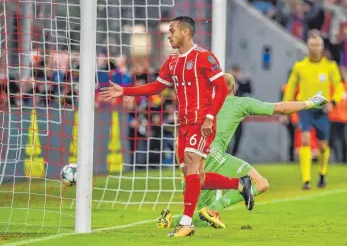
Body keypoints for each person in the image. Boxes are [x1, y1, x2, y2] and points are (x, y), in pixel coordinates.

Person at [100, 16, 254, 238]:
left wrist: (210, 117)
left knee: (192, 164)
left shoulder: (204, 57)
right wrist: (125, 91)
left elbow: (220, 88)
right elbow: (155, 87)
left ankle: (186, 223)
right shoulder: (172, 62)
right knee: (195, 177)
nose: (169, 36)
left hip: (201, 122)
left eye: (172, 31)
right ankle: (240, 184)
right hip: (183, 125)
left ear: (186, 33)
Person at [157, 73, 329, 229]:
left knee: (200, 219)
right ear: (234, 88)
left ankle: (170, 219)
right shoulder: (241, 103)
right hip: (214, 153)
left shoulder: (203, 103)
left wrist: (183, 166)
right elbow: (281, 108)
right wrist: (310, 102)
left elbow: (182, 134)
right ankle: (213, 209)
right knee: (260, 183)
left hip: (193, 156)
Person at [283, 30, 344, 190]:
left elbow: (339, 87)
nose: (315, 48)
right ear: (307, 46)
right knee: (305, 140)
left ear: (322, 47)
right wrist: (284, 107)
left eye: (318, 45)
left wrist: (333, 101)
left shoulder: (330, 66)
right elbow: (291, 87)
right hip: (305, 107)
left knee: (323, 145)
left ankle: (322, 173)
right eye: (312, 45)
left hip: (322, 110)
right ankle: (306, 180)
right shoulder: (300, 66)